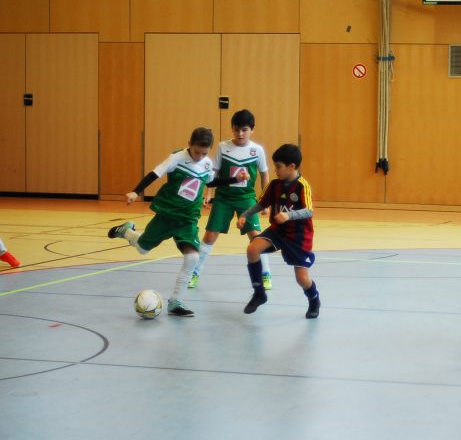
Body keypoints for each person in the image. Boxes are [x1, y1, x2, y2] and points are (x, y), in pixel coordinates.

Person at [107, 127, 249, 317]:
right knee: (142, 249)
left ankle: (175, 303)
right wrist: (136, 191)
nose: (200, 156)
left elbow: (210, 183)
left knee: (192, 258)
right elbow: (154, 174)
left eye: (204, 153)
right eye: (197, 152)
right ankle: (126, 231)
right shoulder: (177, 158)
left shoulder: (206, 164)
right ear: (189, 144)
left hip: (188, 219)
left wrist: (234, 178)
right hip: (167, 214)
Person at [187, 110, 272, 290]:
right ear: (231, 129)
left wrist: (265, 201)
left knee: (256, 237)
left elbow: (265, 175)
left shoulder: (257, 150)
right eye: (236, 130)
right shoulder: (222, 146)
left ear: (252, 130)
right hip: (224, 198)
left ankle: (265, 273)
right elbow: (214, 173)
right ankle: (194, 272)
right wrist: (208, 194)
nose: (240, 134)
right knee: (210, 236)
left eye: (244, 130)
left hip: (247, 199)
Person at [236, 143, 321, 319]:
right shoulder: (274, 185)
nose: (275, 171)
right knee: (253, 248)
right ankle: (259, 292)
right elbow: (261, 204)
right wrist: (245, 214)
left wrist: (289, 215)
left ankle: (314, 299)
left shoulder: (302, 186)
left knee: (302, 279)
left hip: (298, 236)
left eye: (278, 167)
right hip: (277, 231)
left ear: (292, 167)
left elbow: (309, 211)